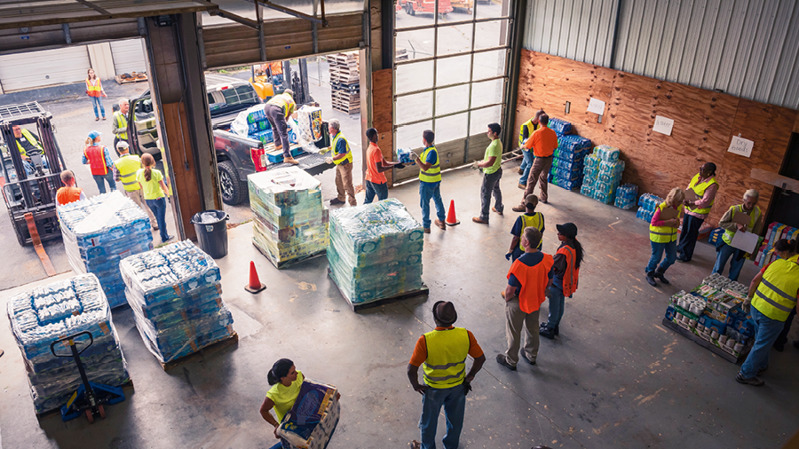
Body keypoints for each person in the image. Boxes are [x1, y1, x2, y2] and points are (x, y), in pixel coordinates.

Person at [407, 301, 486, 449]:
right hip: (458, 387)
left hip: (433, 389)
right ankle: (451, 446)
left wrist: (416, 386)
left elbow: (411, 370)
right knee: (455, 421)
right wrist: (469, 377)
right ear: (453, 318)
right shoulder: (466, 335)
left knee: (429, 423)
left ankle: (427, 447)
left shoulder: (426, 340)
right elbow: (480, 358)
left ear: (435, 318)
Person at [736, 239, 799, 386]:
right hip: (773, 316)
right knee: (762, 344)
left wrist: (748, 298)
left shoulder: (776, 263)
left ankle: (761, 365)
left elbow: (754, 280)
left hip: (756, 307)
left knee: (761, 339)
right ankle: (745, 374)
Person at [497, 227, 553, 370]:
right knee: (533, 327)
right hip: (535, 299)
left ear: (526, 242)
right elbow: (550, 281)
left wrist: (508, 300)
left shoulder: (519, 264)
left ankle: (511, 361)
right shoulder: (547, 259)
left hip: (519, 301)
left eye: (523, 237)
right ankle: (531, 355)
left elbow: (510, 290)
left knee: (514, 332)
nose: (521, 239)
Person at [540, 223, 583, 339]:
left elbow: (553, 265)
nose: (558, 234)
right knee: (560, 304)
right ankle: (555, 326)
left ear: (566, 236)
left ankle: (550, 328)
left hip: (558, 282)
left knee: (554, 306)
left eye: (561, 233)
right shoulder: (573, 244)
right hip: (565, 282)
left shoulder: (564, 251)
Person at [713, 189, 763, 281]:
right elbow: (722, 223)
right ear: (744, 200)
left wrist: (752, 247)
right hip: (728, 243)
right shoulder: (734, 209)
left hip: (743, 245)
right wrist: (736, 225)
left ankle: (731, 285)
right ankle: (712, 281)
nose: (751, 206)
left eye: (754, 203)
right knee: (719, 266)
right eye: (749, 203)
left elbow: (756, 231)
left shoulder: (757, 213)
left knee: (736, 270)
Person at [512, 114, 558, 211]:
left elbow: (527, 146)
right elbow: (555, 146)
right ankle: (543, 197)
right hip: (549, 159)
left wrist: (522, 146)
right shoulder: (552, 132)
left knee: (531, 180)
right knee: (543, 177)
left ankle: (524, 204)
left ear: (539, 122)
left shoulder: (536, 133)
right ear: (548, 122)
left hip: (539, 160)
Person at [677, 162, 718, 262]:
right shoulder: (698, 176)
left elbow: (705, 201)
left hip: (698, 213)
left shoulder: (712, 185)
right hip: (689, 209)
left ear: (709, 172)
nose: (700, 171)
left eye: (703, 169)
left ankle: (686, 255)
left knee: (691, 234)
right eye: (700, 168)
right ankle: (680, 247)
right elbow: (689, 187)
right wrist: (685, 198)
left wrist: (692, 203)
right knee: (685, 230)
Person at [260, 358, 303, 449]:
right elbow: (263, 411)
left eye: (295, 369)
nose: (296, 373)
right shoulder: (274, 394)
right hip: (289, 427)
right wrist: (276, 425)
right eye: (292, 373)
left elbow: (308, 389)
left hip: (303, 418)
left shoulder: (299, 376)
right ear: (282, 378)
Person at [113, 141, 158, 230]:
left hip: (130, 190)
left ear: (118, 150)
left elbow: (116, 179)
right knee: (149, 206)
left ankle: (144, 228)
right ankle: (155, 224)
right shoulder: (137, 158)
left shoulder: (117, 163)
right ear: (127, 148)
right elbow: (144, 170)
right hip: (142, 186)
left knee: (137, 210)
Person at [645, 188, 684, 287]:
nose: (681, 203)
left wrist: (677, 223)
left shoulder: (678, 207)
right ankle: (650, 273)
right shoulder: (662, 207)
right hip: (658, 237)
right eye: (679, 201)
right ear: (673, 199)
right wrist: (667, 222)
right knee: (656, 257)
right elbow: (654, 222)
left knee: (672, 258)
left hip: (671, 237)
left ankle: (659, 272)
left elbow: (676, 219)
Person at [411, 130, 446, 234]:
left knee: (424, 203)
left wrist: (417, 159)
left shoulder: (431, 152)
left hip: (427, 183)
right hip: (435, 181)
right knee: (437, 200)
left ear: (424, 139)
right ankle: (442, 221)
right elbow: (422, 161)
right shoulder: (428, 150)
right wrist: (414, 159)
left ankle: (426, 226)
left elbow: (425, 167)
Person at [137, 153, 172, 244]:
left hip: (148, 199)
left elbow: (141, 186)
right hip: (159, 198)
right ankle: (164, 237)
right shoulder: (156, 173)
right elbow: (163, 186)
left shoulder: (139, 173)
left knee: (158, 217)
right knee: (161, 219)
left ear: (142, 163)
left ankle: (163, 235)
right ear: (153, 161)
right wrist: (169, 195)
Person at [472, 123, 504, 224]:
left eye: (489, 131)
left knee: (485, 194)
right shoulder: (498, 142)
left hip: (491, 173)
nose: (487, 133)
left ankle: (484, 217)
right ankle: (499, 207)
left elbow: (490, 163)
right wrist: (483, 162)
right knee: (496, 189)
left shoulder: (494, 146)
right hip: (497, 170)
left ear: (495, 133)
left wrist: (479, 164)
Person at [363, 127, 399, 204]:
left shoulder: (370, 148)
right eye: (376, 134)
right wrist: (393, 166)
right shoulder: (376, 150)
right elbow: (379, 169)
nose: (378, 135)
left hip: (369, 178)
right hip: (378, 181)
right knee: (383, 203)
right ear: (374, 136)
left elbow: (385, 163)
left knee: (367, 201)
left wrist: (397, 164)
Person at [264, 89, 298, 165]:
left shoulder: (279, 96)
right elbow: (287, 116)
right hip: (276, 110)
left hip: (266, 107)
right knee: (283, 133)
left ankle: (278, 144)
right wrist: (284, 126)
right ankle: (287, 156)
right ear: (292, 96)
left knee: (274, 127)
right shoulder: (291, 101)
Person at [506, 194, 544, 262]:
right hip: (537, 246)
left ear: (524, 204)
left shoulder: (521, 219)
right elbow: (541, 231)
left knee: (518, 263)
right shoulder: (540, 216)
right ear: (536, 204)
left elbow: (516, 238)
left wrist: (510, 250)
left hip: (523, 249)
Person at [328, 119, 357, 206]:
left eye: (329, 126)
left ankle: (353, 204)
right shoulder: (335, 136)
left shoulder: (340, 139)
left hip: (345, 164)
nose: (328, 128)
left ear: (333, 128)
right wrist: (328, 148)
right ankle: (341, 198)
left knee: (347, 185)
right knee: (339, 182)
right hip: (339, 164)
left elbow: (342, 154)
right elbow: (336, 147)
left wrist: (332, 159)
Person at [518, 110, 544, 189]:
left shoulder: (539, 124)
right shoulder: (526, 125)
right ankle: (522, 182)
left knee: (527, 158)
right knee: (530, 163)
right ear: (538, 118)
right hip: (525, 146)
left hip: (532, 146)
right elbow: (525, 140)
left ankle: (521, 169)